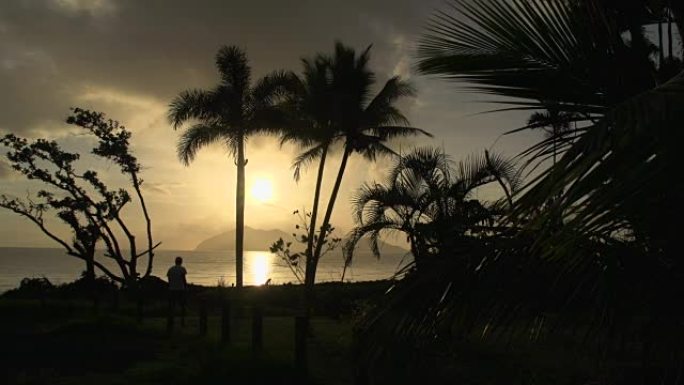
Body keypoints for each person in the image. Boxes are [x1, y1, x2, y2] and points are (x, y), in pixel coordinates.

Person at [167, 256, 187, 329]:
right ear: (181, 262)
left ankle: (171, 320)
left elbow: (169, 279)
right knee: (182, 305)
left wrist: (170, 286)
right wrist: (185, 287)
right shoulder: (182, 269)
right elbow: (183, 279)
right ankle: (182, 320)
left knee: (172, 305)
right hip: (180, 289)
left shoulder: (171, 269)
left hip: (172, 289)